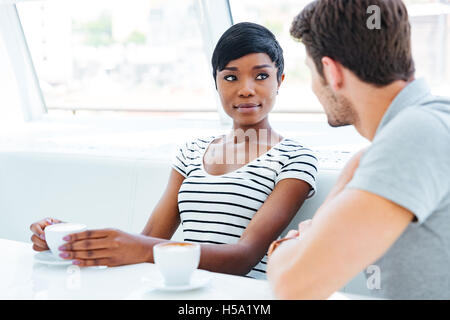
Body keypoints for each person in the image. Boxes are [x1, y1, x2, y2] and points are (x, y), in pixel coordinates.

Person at [29, 22, 318, 279]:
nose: (245, 89)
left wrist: (140, 248)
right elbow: (150, 239)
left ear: (279, 81)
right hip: (177, 289)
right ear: (216, 84)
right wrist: (74, 241)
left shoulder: (295, 159)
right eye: (230, 77)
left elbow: (243, 257)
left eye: (261, 76)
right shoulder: (191, 153)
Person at [266, 0, 450, 299]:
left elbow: (292, 286)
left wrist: (286, 246)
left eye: (311, 71)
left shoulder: (414, 135)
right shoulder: (428, 123)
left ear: (331, 71)